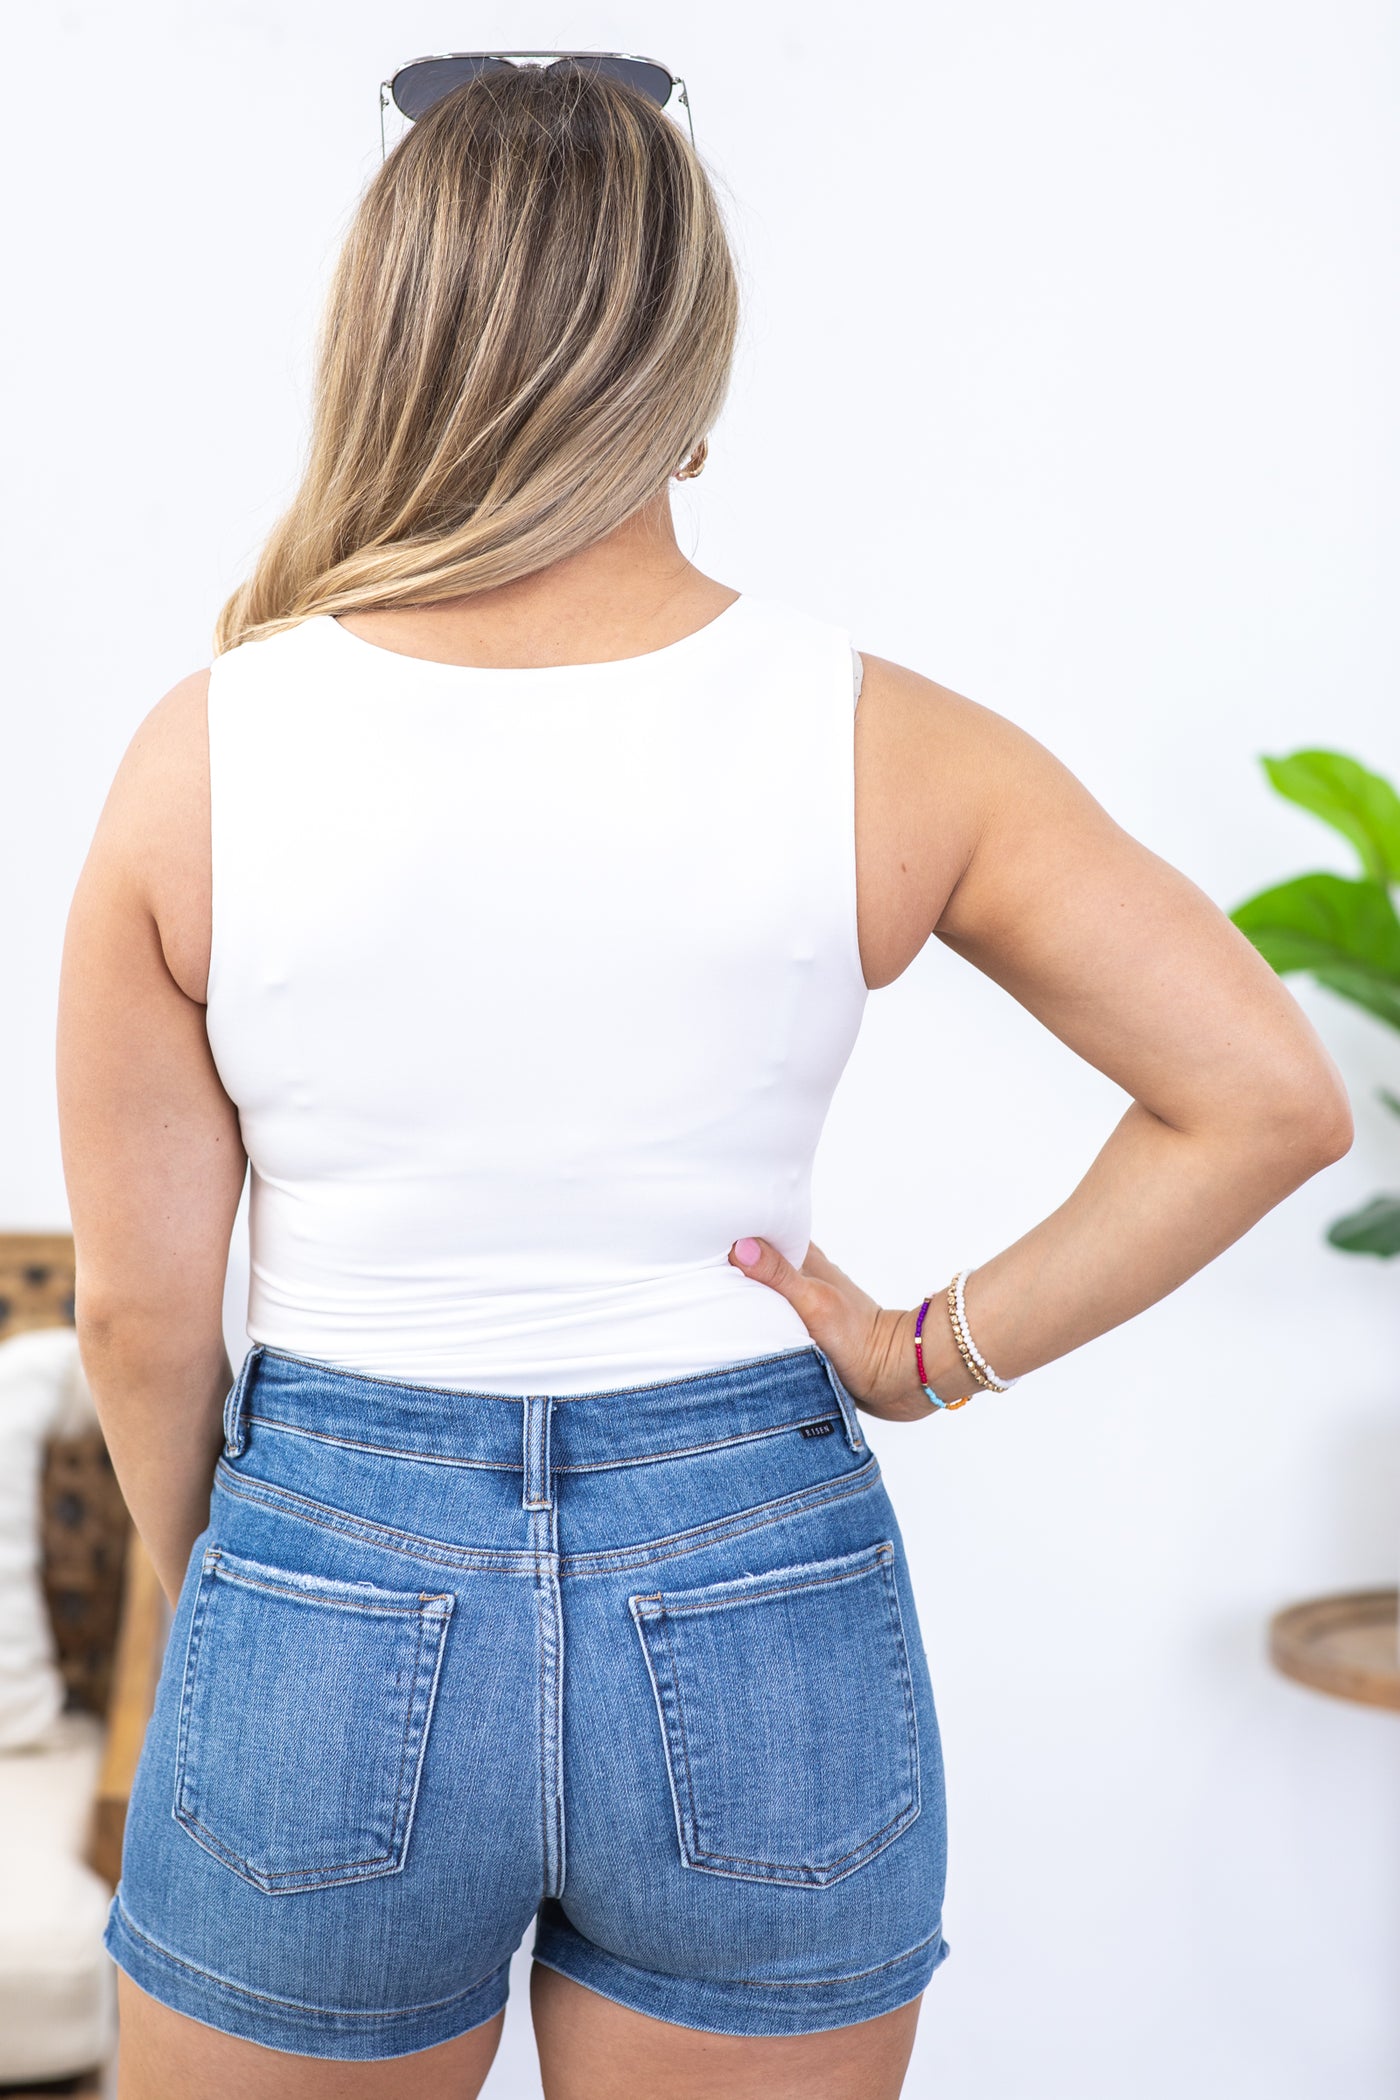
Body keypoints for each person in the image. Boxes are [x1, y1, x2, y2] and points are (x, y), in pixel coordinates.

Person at [55, 56, 1352, 2100]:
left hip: (331, 1563)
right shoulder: (886, 738)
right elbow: (1264, 1096)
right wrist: (925, 1355)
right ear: (692, 353)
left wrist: (258, 1591)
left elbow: (136, 1318)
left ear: (385, 340)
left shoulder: (199, 756)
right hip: (758, 1574)